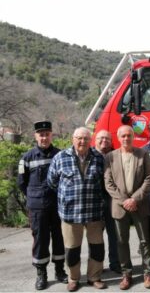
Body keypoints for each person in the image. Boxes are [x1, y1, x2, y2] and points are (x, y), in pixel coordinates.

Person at [47, 127, 106, 291]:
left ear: (90, 140)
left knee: (97, 248)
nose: (82, 142)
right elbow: (51, 182)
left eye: (86, 139)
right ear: (73, 139)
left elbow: (104, 183)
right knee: (72, 250)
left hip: (94, 212)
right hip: (70, 213)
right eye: (79, 138)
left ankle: (94, 277)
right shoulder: (60, 157)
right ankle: (73, 278)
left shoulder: (98, 158)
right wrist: (67, 198)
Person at [18, 121, 67, 290]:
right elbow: (21, 184)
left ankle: (60, 271)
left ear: (51, 135)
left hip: (58, 205)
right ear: (35, 136)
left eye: (47, 134)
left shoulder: (60, 155)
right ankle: (41, 274)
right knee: (40, 240)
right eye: (41, 134)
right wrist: (34, 197)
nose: (44, 137)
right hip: (37, 207)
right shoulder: (27, 157)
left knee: (60, 238)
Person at [104, 125, 150, 290]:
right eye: (123, 136)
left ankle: (147, 272)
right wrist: (125, 200)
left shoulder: (143, 154)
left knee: (145, 240)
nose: (126, 138)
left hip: (140, 205)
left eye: (129, 135)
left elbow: (148, 178)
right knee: (121, 241)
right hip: (120, 206)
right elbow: (108, 183)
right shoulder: (110, 157)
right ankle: (127, 274)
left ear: (133, 137)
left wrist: (135, 199)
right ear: (118, 138)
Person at [94, 129, 121, 274]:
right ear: (95, 140)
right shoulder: (90, 155)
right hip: (94, 201)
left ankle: (115, 263)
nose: (104, 141)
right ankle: (97, 266)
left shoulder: (117, 156)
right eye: (101, 138)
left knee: (114, 234)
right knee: (96, 236)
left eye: (107, 138)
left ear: (111, 141)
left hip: (112, 200)